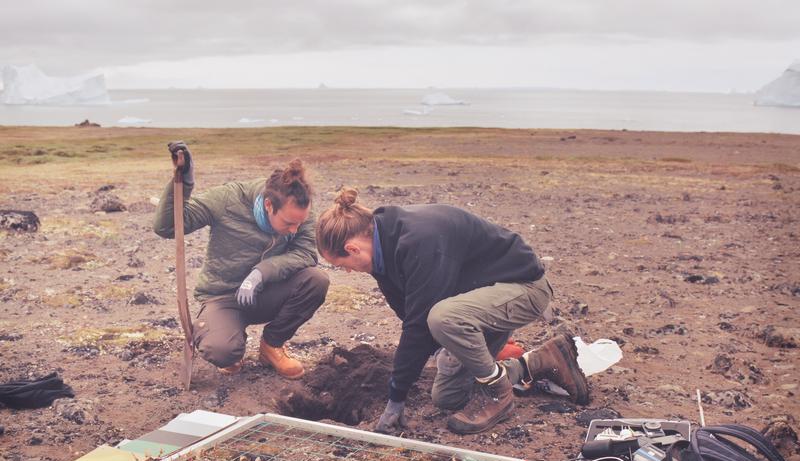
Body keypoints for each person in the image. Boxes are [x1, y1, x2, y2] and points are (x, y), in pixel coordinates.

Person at [316, 188, 589, 435]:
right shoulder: (381, 252)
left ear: (352, 248)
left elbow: (419, 324)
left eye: (342, 265)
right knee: (448, 397)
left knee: (442, 318)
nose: (348, 271)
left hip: (523, 289)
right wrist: (440, 350)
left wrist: (396, 397)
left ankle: (498, 395)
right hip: (478, 301)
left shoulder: (419, 239)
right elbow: (408, 313)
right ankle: (538, 361)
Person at [153, 142, 329, 379]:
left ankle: (272, 346)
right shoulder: (228, 199)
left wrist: (261, 273)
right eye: (288, 223)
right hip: (223, 296)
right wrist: (184, 182)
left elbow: (306, 253)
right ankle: (229, 338)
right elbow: (167, 227)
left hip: (267, 292)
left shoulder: (299, 210)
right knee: (222, 351)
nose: (294, 229)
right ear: (269, 205)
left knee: (316, 280)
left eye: (299, 223)